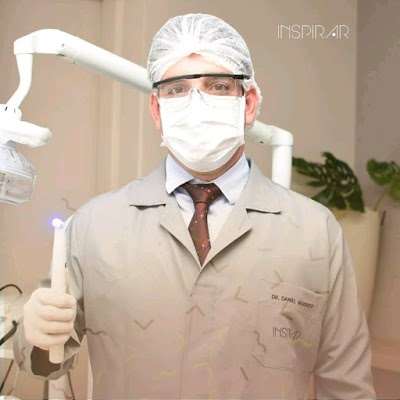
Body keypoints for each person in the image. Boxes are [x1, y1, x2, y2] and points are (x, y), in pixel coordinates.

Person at [13, 13, 376, 399]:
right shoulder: (94, 226)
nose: (197, 102)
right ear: (157, 110)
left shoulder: (314, 231)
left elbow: (347, 386)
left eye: (217, 86)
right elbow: (45, 362)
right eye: (177, 90)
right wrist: (34, 334)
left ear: (249, 103)